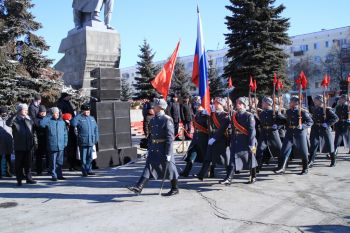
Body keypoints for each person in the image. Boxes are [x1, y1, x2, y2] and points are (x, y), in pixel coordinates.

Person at [128, 98, 180, 196]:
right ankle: (139, 187)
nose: (153, 107)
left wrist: (168, 153)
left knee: (170, 168)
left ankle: (175, 188)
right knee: (149, 166)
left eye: (155, 105)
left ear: (160, 107)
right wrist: (149, 147)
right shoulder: (154, 119)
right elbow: (152, 136)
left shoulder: (167, 119)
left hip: (163, 148)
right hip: (154, 147)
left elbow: (169, 138)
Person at [221, 97, 257, 185]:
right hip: (236, 141)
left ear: (244, 105)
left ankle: (253, 176)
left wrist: (251, 144)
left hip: (248, 141)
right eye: (237, 103)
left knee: (251, 158)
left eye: (240, 103)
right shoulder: (234, 115)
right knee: (232, 159)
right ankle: (228, 178)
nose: (238, 105)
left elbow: (252, 131)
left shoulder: (249, 115)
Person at [274, 96, 314, 175]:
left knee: (303, 151)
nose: (289, 103)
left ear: (296, 102)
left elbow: (310, 122)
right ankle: (282, 167)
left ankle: (305, 168)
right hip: (289, 132)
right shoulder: (288, 111)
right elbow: (286, 121)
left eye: (291, 101)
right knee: (284, 150)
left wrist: (302, 126)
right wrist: (279, 120)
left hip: (299, 133)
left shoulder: (302, 111)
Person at [196, 97, 230, 180]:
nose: (215, 104)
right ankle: (201, 174)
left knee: (225, 159)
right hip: (212, 138)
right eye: (215, 103)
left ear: (222, 105)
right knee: (208, 157)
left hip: (221, 139)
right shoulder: (212, 114)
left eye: (217, 103)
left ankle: (229, 175)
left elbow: (222, 129)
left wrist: (214, 138)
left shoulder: (225, 115)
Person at [6, 104, 37, 186]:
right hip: (19, 145)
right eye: (24, 110)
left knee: (28, 163)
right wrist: (15, 114)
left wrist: (35, 142)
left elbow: (33, 131)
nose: (26, 111)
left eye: (27, 110)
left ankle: (29, 178)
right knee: (18, 164)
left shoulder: (29, 119)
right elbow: (8, 123)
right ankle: (19, 180)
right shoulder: (15, 119)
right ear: (19, 110)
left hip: (29, 145)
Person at [255, 97, 285, 172]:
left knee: (279, 150)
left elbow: (284, 121)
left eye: (263, 102)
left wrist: (277, 126)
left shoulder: (274, 112)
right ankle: (257, 167)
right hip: (264, 132)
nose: (261, 104)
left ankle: (281, 167)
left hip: (273, 133)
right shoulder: (261, 113)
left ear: (267, 103)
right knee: (259, 150)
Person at [180, 102, 209, 177]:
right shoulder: (197, 115)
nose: (196, 108)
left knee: (205, 157)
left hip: (203, 138)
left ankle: (206, 172)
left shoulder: (206, 116)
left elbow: (209, 128)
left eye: (198, 106)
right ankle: (186, 172)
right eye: (195, 106)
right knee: (191, 155)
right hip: (196, 138)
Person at [309, 95, 338, 168]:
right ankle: (311, 161)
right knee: (313, 145)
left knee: (329, 144)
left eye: (315, 100)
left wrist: (327, 124)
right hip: (315, 128)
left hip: (324, 129)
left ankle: (333, 160)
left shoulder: (327, 110)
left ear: (320, 101)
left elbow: (335, 118)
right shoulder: (314, 109)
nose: (314, 101)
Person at [40, 107, 68, 181]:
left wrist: (65, 142)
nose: (57, 114)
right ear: (52, 114)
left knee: (60, 162)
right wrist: (48, 115)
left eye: (58, 113)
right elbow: (42, 124)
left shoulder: (62, 122)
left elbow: (65, 133)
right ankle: (54, 175)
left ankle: (59, 175)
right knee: (53, 162)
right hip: (52, 145)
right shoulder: (49, 121)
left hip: (61, 145)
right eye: (55, 113)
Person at [71, 103, 99, 177]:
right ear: (82, 111)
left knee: (90, 157)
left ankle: (89, 169)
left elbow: (96, 129)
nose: (87, 112)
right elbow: (73, 123)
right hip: (83, 141)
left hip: (91, 141)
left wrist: (96, 138)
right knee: (83, 158)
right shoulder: (79, 118)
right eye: (86, 111)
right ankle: (84, 171)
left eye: (88, 111)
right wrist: (78, 115)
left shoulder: (92, 118)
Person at [34, 105, 48, 175]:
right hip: (39, 140)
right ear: (39, 112)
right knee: (39, 156)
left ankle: (48, 169)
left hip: (47, 139)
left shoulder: (48, 119)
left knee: (48, 155)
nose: (43, 113)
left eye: (44, 112)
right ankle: (39, 170)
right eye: (42, 112)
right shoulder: (36, 119)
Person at [0, 106, 13, 178]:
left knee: (8, 158)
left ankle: (9, 172)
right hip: (0, 141)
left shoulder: (10, 119)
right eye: (2, 113)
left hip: (8, 141)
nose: (4, 114)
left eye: (5, 112)